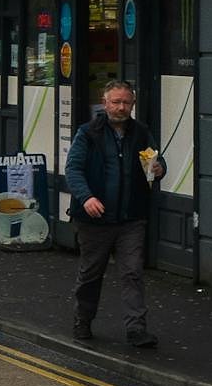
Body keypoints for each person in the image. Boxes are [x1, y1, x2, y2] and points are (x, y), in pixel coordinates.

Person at [66, 80, 166, 347]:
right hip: (95, 220)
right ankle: (82, 321)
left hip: (131, 218)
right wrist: (86, 198)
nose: (121, 108)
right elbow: (73, 170)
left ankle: (136, 329)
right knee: (90, 274)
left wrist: (159, 169)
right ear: (105, 102)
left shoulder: (141, 132)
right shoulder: (88, 133)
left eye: (126, 103)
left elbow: (156, 160)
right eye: (116, 102)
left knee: (132, 273)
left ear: (132, 104)